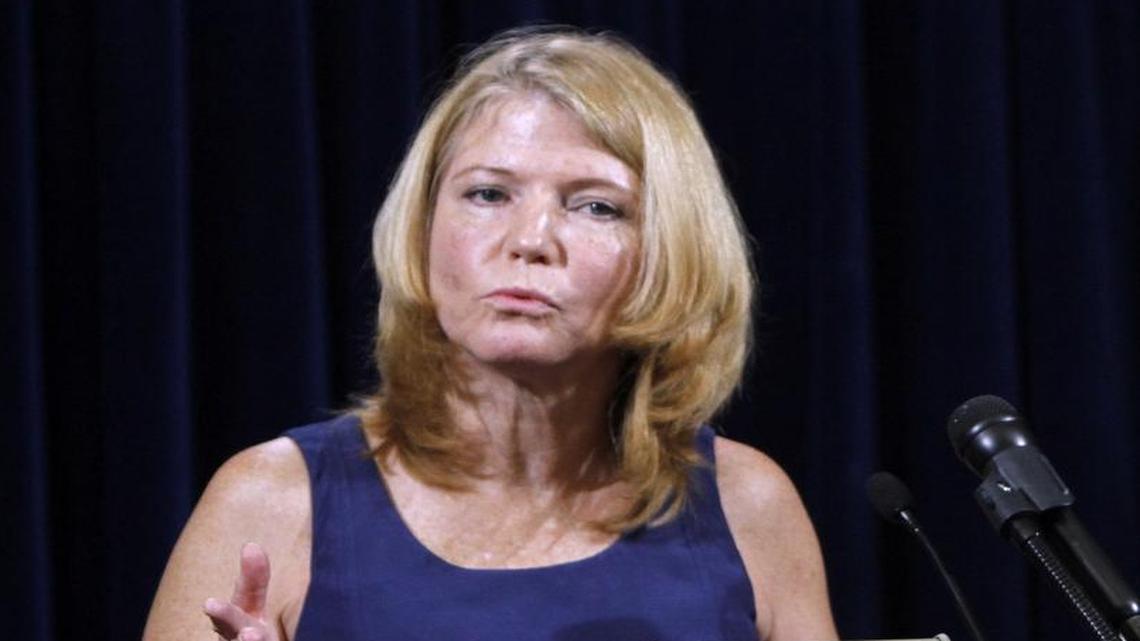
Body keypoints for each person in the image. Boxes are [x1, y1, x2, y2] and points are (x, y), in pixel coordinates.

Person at [143, 27, 837, 641]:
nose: (530, 239)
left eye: (595, 206)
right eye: (488, 194)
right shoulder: (270, 501)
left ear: (670, 252)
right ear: (422, 228)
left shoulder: (748, 503)